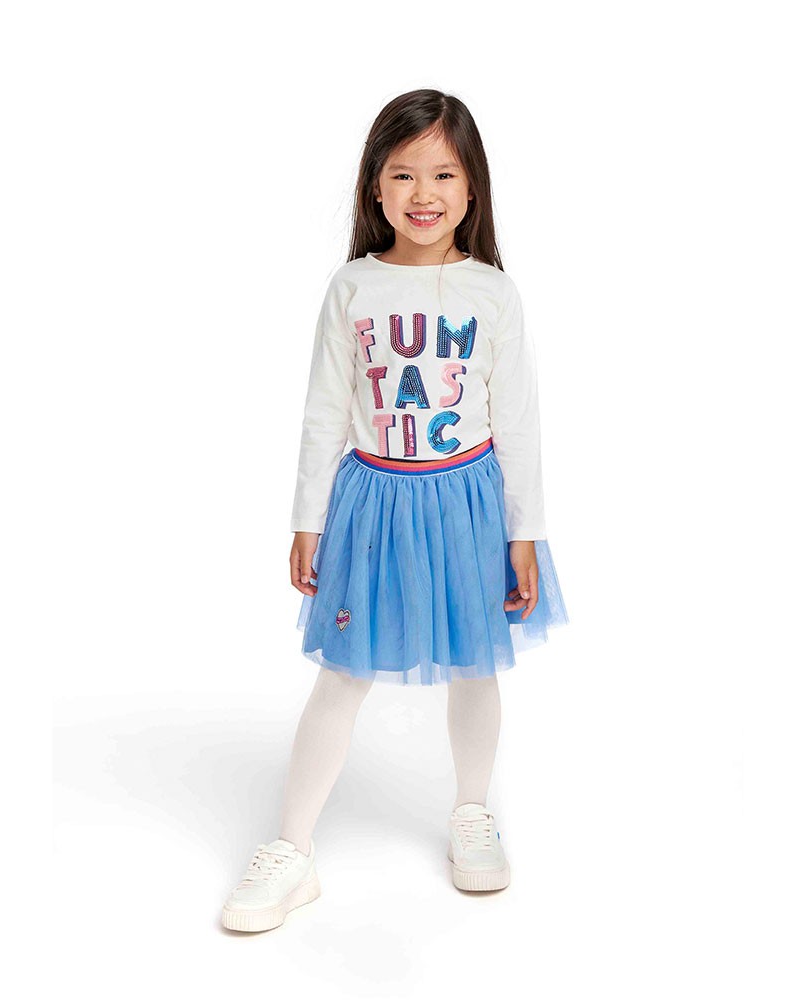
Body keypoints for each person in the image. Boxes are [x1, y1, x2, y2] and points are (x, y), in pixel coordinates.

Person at [221, 88, 569, 933]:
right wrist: (307, 518)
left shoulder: (493, 293)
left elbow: (519, 421)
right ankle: (292, 849)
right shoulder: (352, 287)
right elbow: (324, 411)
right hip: (372, 504)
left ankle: (472, 812)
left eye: (444, 174)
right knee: (342, 672)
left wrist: (526, 532)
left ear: (472, 186)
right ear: (374, 186)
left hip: (467, 503)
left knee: (476, 665)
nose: (424, 193)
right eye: (404, 173)